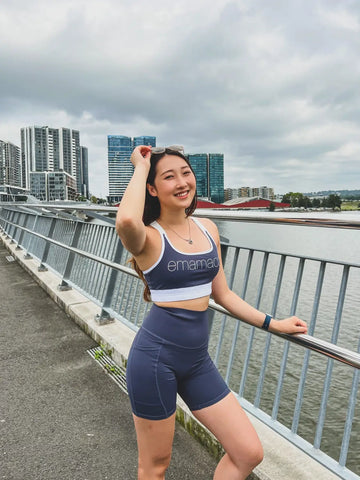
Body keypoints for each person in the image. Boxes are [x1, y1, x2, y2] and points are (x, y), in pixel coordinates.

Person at [116, 145, 308, 480]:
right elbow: (127, 218)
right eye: (168, 177)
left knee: (248, 452)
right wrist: (140, 165)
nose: (181, 182)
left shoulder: (208, 228)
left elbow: (224, 294)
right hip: (154, 363)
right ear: (151, 188)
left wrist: (273, 323)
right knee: (155, 466)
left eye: (186, 173)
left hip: (196, 362)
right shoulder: (147, 237)